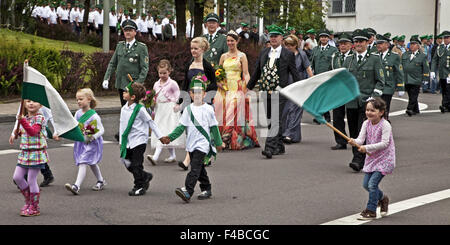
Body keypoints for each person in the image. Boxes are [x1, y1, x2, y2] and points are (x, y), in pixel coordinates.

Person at [160, 74, 224, 203]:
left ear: (205, 94)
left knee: (194, 167)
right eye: (195, 92)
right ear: (190, 94)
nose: (198, 95)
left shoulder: (208, 109)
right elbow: (180, 128)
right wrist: (169, 138)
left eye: (200, 92)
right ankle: (206, 188)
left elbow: (214, 128)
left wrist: (218, 143)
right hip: (192, 144)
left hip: (203, 144)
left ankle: (188, 191)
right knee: (199, 168)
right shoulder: (188, 109)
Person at [247, 24, 301, 159]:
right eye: (271, 36)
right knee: (270, 120)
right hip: (265, 90)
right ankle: (279, 146)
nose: (273, 38)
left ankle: (269, 148)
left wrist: (299, 87)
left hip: (280, 91)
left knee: (276, 119)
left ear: (281, 38)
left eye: (276, 36)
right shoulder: (264, 52)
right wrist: (249, 87)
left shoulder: (288, 54)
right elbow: (257, 72)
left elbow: (294, 72)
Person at [343, 29, 385, 172]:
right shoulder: (348, 60)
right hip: (352, 101)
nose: (358, 44)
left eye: (361, 41)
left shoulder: (374, 59)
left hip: (367, 102)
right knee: (353, 131)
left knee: (363, 131)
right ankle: (359, 156)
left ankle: (358, 159)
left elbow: (380, 81)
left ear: (367, 42)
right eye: (356, 41)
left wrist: (373, 97)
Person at [348, 97, 395, 220]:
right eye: (367, 110)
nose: (369, 112)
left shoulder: (385, 125)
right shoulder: (366, 123)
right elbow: (360, 139)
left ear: (381, 112)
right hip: (372, 158)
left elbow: (385, 143)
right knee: (366, 185)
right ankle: (383, 199)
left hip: (385, 158)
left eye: (372, 110)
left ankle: (371, 210)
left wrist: (366, 148)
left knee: (372, 184)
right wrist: (354, 141)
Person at [175, 37, 217, 170]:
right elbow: (185, 84)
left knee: (203, 129)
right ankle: (192, 157)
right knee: (190, 130)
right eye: (191, 48)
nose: (193, 51)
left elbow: (214, 85)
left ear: (203, 49)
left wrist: (203, 93)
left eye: (196, 48)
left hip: (203, 102)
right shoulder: (189, 64)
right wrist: (179, 101)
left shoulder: (207, 66)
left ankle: (192, 159)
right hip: (189, 101)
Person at [103, 19, 149, 140]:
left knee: (133, 109)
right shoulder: (120, 46)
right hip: (121, 83)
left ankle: (127, 131)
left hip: (133, 83)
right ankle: (126, 131)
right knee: (125, 108)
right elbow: (113, 63)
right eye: (126, 30)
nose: (128, 32)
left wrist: (138, 84)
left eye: (130, 30)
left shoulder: (141, 47)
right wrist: (106, 78)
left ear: (135, 32)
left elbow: (144, 68)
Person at [213, 31, 260, 150]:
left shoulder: (242, 56)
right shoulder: (223, 56)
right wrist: (218, 81)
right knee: (219, 106)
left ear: (237, 41)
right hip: (224, 87)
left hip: (237, 86)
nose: (230, 43)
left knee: (232, 108)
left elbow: (246, 73)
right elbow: (219, 72)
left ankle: (226, 137)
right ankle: (219, 137)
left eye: (232, 41)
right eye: (228, 41)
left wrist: (247, 87)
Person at [120, 82, 164, 196]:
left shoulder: (140, 109)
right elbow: (122, 125)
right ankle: (145, 176)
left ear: (133, 97)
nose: (123, 92)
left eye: (126, 91)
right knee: (126, 162)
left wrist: (160, 137)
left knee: (136, 164)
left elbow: (151, 122)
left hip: (139, 141)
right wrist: (121, 141)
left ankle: (139, 186)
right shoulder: (124, 109)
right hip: (128, 141)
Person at [10, 99, 48, 216]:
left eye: (35, 101)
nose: (31, 103)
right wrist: (15, 133)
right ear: (24, 104)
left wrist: (22, 121)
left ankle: (34, 207)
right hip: (25, 154)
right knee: (17, 177)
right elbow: (24, 132)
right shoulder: (24, 118)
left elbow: (32, 132)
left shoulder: (39, 118)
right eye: (28, 101)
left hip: (36, 154)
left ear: (40, 105)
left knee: (31, 180)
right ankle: (29, 200)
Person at [64, 88, 106, 195]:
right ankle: (101, 181)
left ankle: (76, 186)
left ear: (89, 99)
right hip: (82, 142)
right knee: (92, 163)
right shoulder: (78, 113)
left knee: (83, 162)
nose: (78, 101)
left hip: (92, 143)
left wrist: (92, 137)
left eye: (81, 99)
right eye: (77, 99)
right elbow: (74, 125)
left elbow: (101, 130)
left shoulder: (93, 115)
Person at [147, 60, 185, 165]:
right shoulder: (156, 84)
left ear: (169, 72)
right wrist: (152, 103)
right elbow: (154, 96)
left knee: (165, 131)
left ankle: (155, 156)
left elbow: (178, 96)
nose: (162, 75)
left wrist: (178, 106)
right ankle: (172, 155)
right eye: (160, 73)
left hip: (169, 109)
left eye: (165, 73)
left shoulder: (173, 84)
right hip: (160, 109)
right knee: (161, 130)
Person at [282, 34, 313, 144]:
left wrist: (312, 82)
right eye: (286, 45)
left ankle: (289, 134)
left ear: (295, 45)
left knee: (295, 110)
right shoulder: (283, 54)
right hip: (286, 84)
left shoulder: (302, 54)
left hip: (299, 83)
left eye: (291, 45)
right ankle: (294, 135)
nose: (288, 47)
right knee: (286, 110)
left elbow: (308, 68)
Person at [330, 33, 353, 150]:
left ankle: (356, 140)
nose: (342, 46)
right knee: (337, 117)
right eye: (341, 44)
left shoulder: (354, 56)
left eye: (345, 44)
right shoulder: (335, 56)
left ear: (350, 45)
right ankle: (340, 141)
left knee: (351, 117)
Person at [310, 29, 338, 123]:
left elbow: (335, 64)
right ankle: (323, 115)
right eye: (322, 37)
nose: (323, 39)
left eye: (325, 37)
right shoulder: (315, 49)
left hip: (328, 77)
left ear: (328, 38)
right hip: (317, 76)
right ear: (319, 38)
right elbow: (311, 63)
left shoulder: (333, 50)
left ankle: (323, 116)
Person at [376, 33, 405, 121]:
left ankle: (384, 127)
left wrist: (401, 87)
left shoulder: (394, 56)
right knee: (376, 109)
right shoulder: (375, 55)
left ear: (387, 45)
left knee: (384, 109)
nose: (378, 45)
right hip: (376, 86)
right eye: (378, 43)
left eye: (381, 43)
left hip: (388, 86)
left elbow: (399, 72)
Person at [402, 35, 430, 116]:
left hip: (416, 79)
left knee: (414, 94)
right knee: (411, 94)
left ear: (418, 45)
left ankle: (409, 109)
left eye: (414, 44)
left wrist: (425, 78)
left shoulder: (422, 56)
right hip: (406, 78)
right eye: (411, 44)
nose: (412, 46)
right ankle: (416, 109)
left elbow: (426, 68)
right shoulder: (405, 54)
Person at [431, 31, 450, 113]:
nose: (445, 40)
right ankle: (447, 105)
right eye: (444, 38)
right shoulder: (440, 47)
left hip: (449, 73)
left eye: (447, 38)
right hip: (442, 73)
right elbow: (435, 59)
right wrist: (432, 70)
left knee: (449, 90)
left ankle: (445, 105)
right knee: (444, 89)